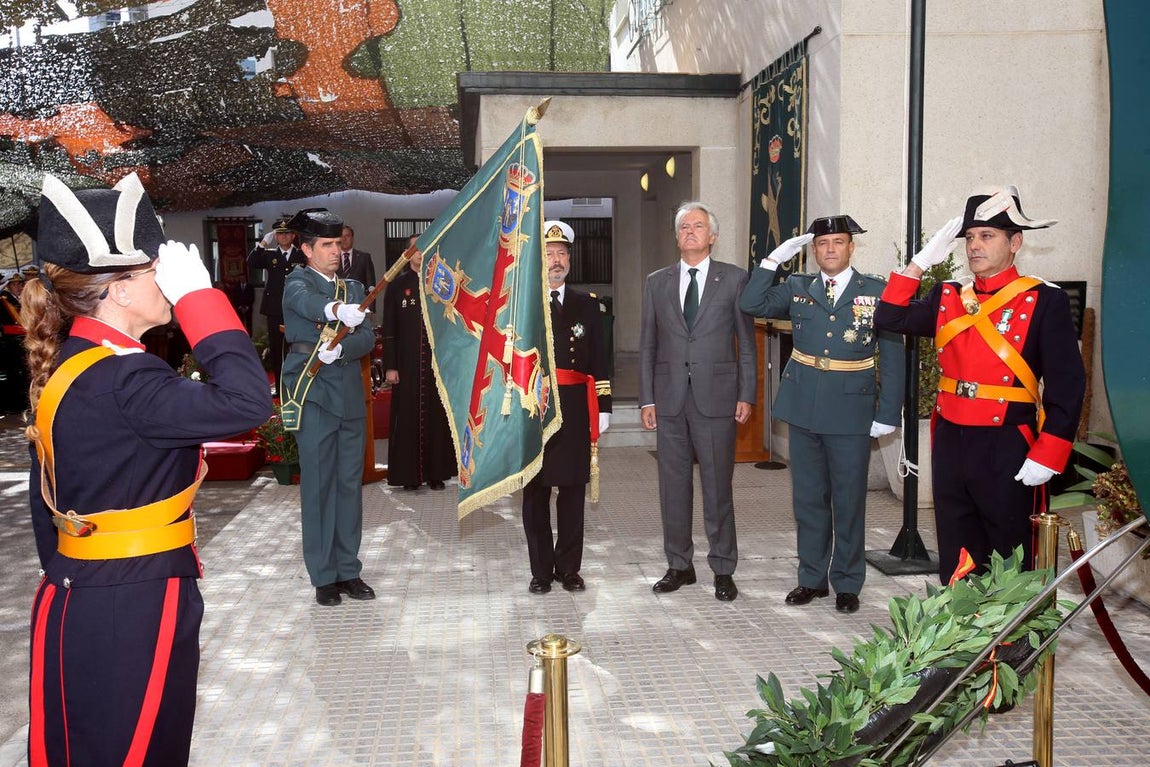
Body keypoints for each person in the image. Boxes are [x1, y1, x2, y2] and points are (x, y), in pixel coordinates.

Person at [23, 172, 272, 766]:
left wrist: (80, 570)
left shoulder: (75, 365)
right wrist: (199, 300)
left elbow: (45, 507)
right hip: (131, 603)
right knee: (139, 751)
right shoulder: (125, 378)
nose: (165, 280)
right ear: (118, 289)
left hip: (80, 593)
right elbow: (248, 403)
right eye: (153, 269)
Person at [874, 185, 1086, 583]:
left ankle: (1014, 642)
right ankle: (964, 634)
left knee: (1012, 548)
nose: (974, 246)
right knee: (957, 546)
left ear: (1015, 242)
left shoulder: (1044, 300)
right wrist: (918, 264)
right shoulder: (949, 295)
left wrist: (1050, 452)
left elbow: (1068, 384)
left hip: (1007, 441)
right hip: (952, 437)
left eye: (987, 236)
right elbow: (888, 318)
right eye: (970, 237)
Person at [739, 216, 904, 613]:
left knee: (848, 501)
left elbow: (894, 354)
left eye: (838, 242)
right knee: (809, 499)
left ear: (851, 248)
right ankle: (811, 578)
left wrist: (888, 411)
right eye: (822, 243)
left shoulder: (876, 292)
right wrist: (773, 260)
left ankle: (847, 582)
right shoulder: (798, 288)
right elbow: (750, 303)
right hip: (804, 407)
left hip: (852, 407)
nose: (829, 249)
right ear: (813, 250)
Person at [639, 201, 756, 601]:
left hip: (718, 400)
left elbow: (746, 344)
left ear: (713, 236)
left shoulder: (735, 279)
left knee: (717, 487)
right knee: (672, 488)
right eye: (684, 226)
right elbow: (648, 344)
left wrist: (747, 392)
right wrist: (646, 399)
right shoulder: (657, 282)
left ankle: (723, 568)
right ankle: (679, 565)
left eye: (698, 226)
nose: (690, 231)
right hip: (670, 400)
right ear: (677, 237)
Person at [281, 208, 377, 606]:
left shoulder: (354, 288)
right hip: (314, 393)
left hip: (349, 396)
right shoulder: (296, 281)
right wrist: (337, 312)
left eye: (338, 243)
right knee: (319, 487)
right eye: (327, 244)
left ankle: (348, 569)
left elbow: (368, 337)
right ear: (306, 249)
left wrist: (343, 347)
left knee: (347, 486)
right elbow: (306, 303)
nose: (336, 251)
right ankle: (323, 575)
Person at [521, 220, 612, 594]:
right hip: (533, 405)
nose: (555, 261)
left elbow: (601, 360)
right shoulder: (522, 305)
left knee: (573, 491)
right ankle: (542, 571)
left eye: (561, 254)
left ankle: (569, 568)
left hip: (575, 405)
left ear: (570, 260)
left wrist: (603, 406)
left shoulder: (589, 305)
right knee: (536, 492)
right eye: (548, 255)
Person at [381, 234, 456, 491]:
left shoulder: (442, 284)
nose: (419, 253)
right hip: (406, 364)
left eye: (424, 248)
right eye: (415, 249)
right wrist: (390, 366)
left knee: (437, 419)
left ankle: (437, 474)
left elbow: (451, 324)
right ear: (407, 254)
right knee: (407, 419)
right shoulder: (397, 286)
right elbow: (388, 328)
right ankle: (409, 476)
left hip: (436, 365)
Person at [247, 217, 305, 391]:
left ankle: (298, 387)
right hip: (275, 309)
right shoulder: (269, 255)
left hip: (298, 309)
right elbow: (252, 262)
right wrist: (264, 242)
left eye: (287, 233)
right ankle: (281, 388)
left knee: (298, 347)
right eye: (280, 234)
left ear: (293, 235)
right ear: (276, 237)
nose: (284, 237)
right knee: (277, 348)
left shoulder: (301, 254)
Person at [338, 225, 378, 315]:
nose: (344, 239)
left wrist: (371, 308)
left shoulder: (364, 257)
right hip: (339, 306)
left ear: (352, 238)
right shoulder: (332, 258)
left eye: (347, 236)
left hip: (360, 305)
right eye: (341, 236)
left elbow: (371, 284)